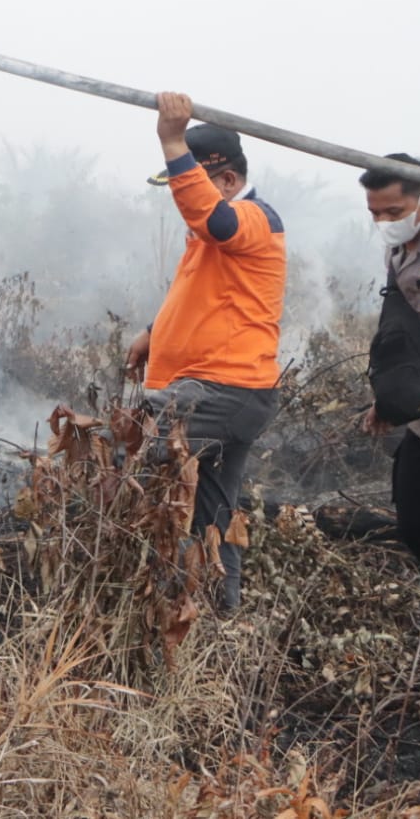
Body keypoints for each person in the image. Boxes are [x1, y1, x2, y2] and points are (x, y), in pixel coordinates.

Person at [124, 93, 285, 612]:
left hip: (224, 390)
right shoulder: (212, 240)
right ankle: (219, 621)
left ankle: (117, 596)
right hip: (222, 390)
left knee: (122, 445)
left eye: (186, 182)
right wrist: (155, 330)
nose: (179, 197)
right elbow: (202, 297)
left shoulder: (255, 219)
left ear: (229, 182)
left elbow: (217, 223)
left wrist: (172, 141)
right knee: (211, 517)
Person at [359, 153, 420, 612]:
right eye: (375, 212)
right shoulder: (397, 250)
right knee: (414, 523)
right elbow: (398, 336)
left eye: (393, 212)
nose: (383, 221)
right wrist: (386, 402)